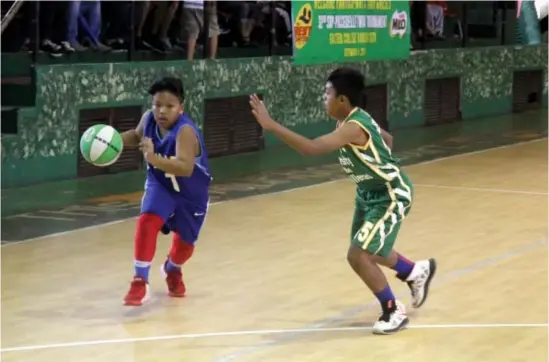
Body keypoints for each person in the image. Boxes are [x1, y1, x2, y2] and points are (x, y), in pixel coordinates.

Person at [248, 67, 436, 335]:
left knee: (359, 254)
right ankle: (414, 271)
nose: (323, 98)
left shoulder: (352, 127)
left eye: (327, 93)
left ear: (343, 100)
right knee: (368, 250)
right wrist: (376, 159)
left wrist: (271, 125)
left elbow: (310, 149)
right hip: (368, 194)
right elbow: (388, 140)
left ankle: (393, 310)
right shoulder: (355, 120)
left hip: (390, 194)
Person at [120, 77, 212, 306]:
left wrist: (151, 158)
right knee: (147, 221)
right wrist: (111, 141)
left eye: (169, 106)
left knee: (185, 247)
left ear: (181, 107)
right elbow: (136, 135)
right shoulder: (148, 120)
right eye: (157, 104)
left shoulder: (185, 131)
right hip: (161, 185)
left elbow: (185, 167)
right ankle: (139, 281)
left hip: (191, 195)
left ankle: (172, 268)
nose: (161, 110)